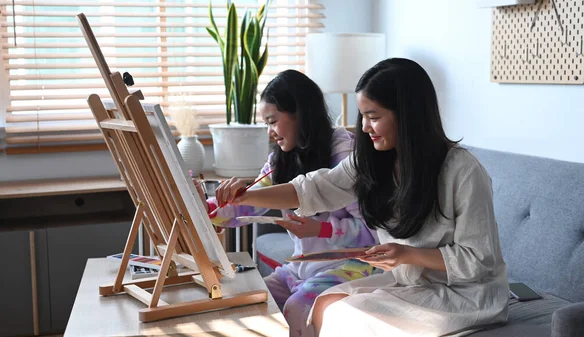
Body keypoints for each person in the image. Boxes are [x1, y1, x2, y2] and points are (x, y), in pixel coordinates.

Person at [215, 59, 509, 336]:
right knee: (324, 302)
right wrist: (245, 196)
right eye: (363, 117)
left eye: (374, 117)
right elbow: (312, 188)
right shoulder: (374, 161)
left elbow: (479, 260)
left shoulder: (463, 171)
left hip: (466, 293)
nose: (365, 128)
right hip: (409, 280)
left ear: (407, 116)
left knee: (342, 314)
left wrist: (406, 254)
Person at [195, 69, 378, 337]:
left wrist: (321, 230)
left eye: (273, 121)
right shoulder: (279, 160)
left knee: (296, 307)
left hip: (352, 267)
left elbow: (372, 233)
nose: (270, 132)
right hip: (301, 267)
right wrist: (206, 207)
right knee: (252, 301)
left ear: (300, 114)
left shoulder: (343, 153)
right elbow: (246, 206)